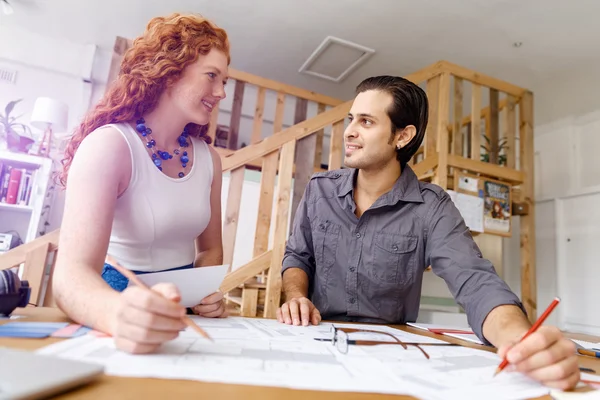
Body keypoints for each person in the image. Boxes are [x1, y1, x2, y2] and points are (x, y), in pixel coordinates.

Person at [277, 75, 579, 389]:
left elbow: (475, 280)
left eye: (366, 122)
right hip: (315, 342)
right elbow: (298, 256)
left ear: (402, 136)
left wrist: (518, 338)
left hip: (391, 359)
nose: (349, 131)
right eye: (351, 119)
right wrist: (297, 296)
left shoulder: (432, 207)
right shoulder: (318, 190)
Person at [52, 13, 230, 354]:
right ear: (170, 72)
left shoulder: (210, 160)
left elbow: (210, 250)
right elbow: (69, 278)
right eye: (212, 76)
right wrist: (120, 314)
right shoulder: (109, 146)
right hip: (112, 312)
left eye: (225, 80)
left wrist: (204, 297)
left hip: (182, 316)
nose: (221, 92)